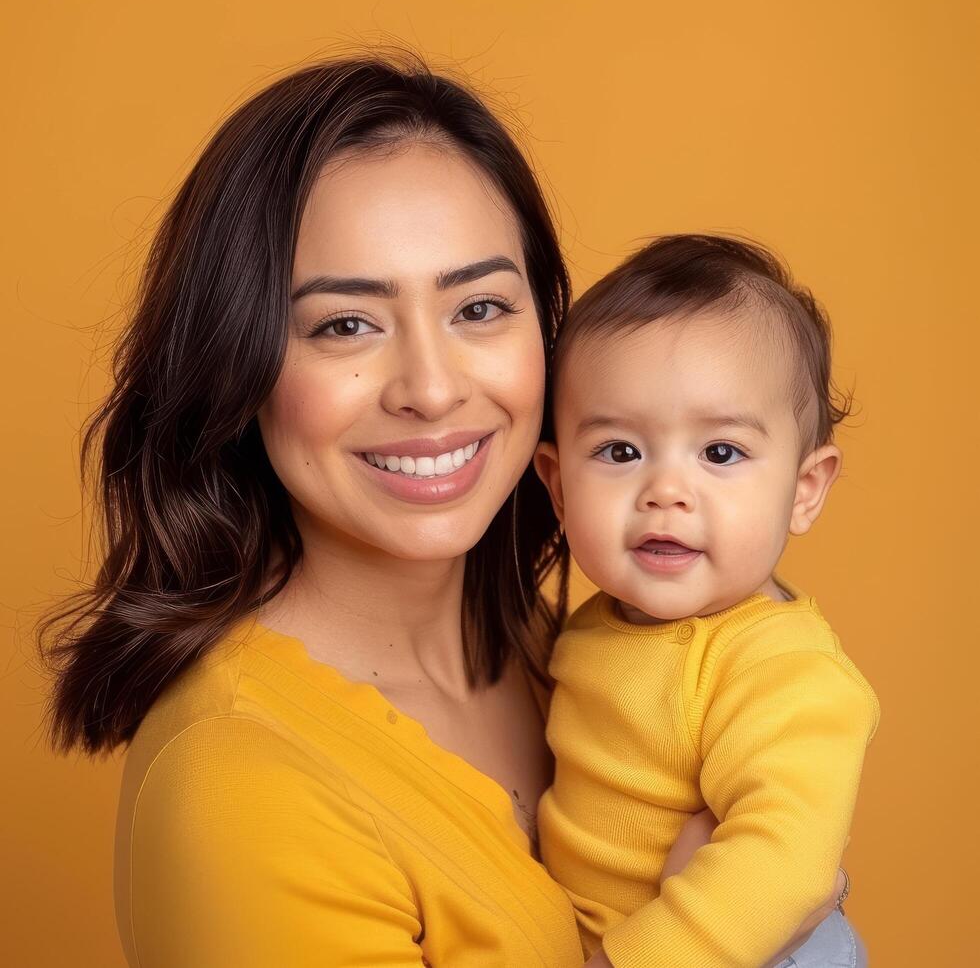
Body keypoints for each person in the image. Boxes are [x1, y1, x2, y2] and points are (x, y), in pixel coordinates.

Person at [36, 55, 848, 966]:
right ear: (240, 364)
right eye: (345, 324)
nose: (429, 388)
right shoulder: (239, 780)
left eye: (479, 307)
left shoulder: (572, 651)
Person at [532, 233, 880, 967]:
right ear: (559, 487)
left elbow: (785, 865)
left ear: (804, 490)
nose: (666, 491)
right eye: (620, 451)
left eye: (720, 453)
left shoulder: (780, 667)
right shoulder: (592, 628)